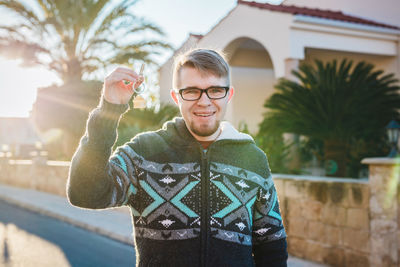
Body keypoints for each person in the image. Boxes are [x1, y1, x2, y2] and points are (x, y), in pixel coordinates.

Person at [67, 48, 288, 266]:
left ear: (229, 94)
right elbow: (84, 193)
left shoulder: (254, 159)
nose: (204, 101)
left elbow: (271, 247)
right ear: (176, 97)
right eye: (191, 91)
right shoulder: (144, 151)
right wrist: (109, 110)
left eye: (215, 90)